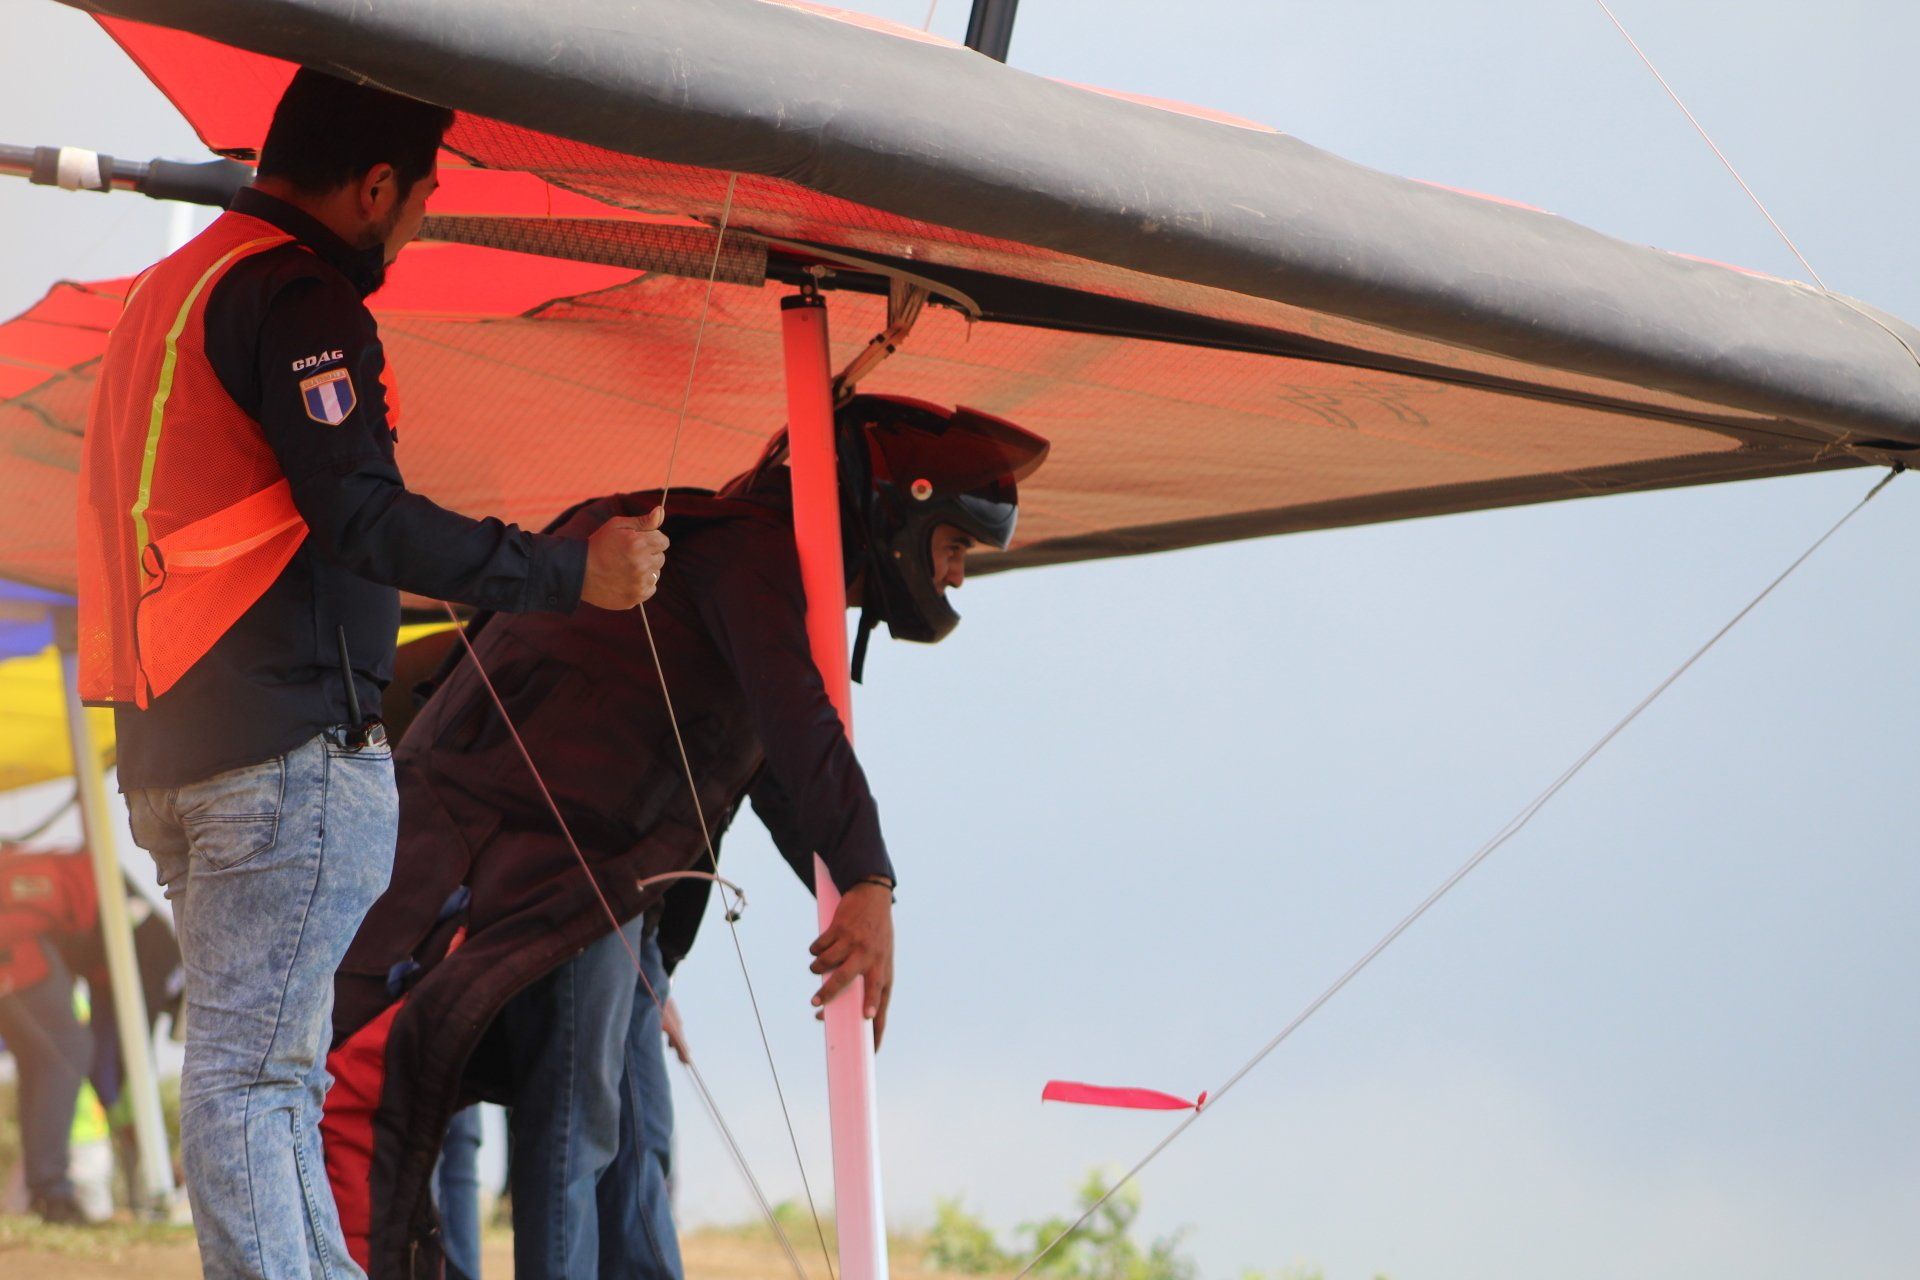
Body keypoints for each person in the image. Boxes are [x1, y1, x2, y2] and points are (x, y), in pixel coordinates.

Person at [73, 69, 668, 1279]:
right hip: (277, 754)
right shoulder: (301, 293)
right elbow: (361, 514)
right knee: (254, 1079)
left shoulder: (170, 289)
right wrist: (571, 572)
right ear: (378, 185)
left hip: (172, 750)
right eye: (424, 200)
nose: (419, 225)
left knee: (273, 1077)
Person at [321, 394, 1047, 1279]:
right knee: (576, 1131)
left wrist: (850, 889)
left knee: (627, 1135)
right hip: (555, 875)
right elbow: (799, 726)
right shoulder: (747, 554)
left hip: (594, 887)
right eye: (956, 546)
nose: (958, 577)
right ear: (902, 515)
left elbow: (776, 773)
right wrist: (867, 881)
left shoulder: (738, 557)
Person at [0, 845, 184, 1224]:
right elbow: (122, 1059)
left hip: (28, 933)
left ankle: (46, 1187)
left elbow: (107, 1062)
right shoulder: (158, 960)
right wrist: (131, 1123)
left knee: (45, 1056)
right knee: (67, 1050)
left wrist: (118, 1106)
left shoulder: (141, 945)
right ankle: (52, 1193)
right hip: (18, 935)